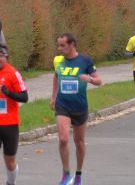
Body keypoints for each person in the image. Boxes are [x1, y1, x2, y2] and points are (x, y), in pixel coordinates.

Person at [50, 32, 102, 185]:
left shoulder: (85, 60)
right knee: (63, 138)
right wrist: (53, 97)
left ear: (72, 45)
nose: (59, 49)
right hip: (62, 104)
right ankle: (66, 174)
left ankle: (78, 174)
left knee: (79, 142)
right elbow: (55, 76)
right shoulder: (58, 60)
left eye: (62, 46)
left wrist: (90, 79)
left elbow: (99, 81)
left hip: (79, 106)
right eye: (58, 45)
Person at [0, 44, 28, 185]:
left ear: (6, 57)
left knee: (9, 161)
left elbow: (25, 97)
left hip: (10, 124)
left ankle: (11, 183)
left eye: (0, 56)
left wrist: (8, 93)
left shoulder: (13, 73)